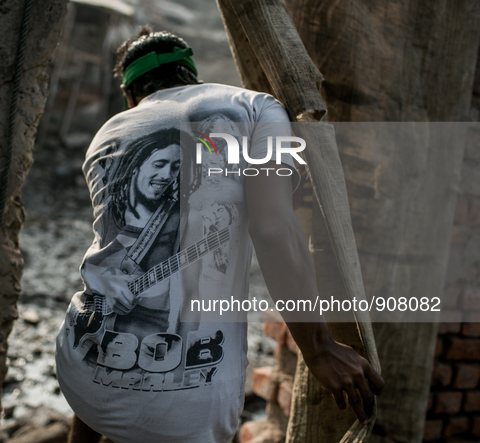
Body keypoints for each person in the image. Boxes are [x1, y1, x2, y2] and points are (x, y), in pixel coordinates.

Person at [56, 26, 384, 443]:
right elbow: (272, 228)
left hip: (79, 366)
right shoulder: (254, 107)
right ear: (191, 77)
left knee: (96, 402)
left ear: (130, 97)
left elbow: (108, 248)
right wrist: (318, 348)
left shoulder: (107, 134)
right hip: (190, 398)